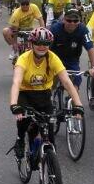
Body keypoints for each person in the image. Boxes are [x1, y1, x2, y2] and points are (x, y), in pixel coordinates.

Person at [9, 27, 85, 160]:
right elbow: (16, 82)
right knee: (24, 121)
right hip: (25, 94)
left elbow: (67, 82)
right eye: (38, 43)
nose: (42, 47)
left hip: (44, 95)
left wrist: (78, 105)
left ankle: (50, 167)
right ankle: (20, 139)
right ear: (32, 44)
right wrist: (14, 105)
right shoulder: (24, 59)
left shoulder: (53, 58)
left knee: (49, 131)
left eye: (45, 44)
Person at [50, 8, 94, 89]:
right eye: (69, 20)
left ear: (79, 21)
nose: (72, 23)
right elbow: (45, 48)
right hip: (54, 59)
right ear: (64, 20)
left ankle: (72, 100)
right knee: (51, 85)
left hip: (72, 61)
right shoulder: (54, 29)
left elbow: (91, 49)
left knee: (74, 87)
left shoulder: (83, 30)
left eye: (75, 21)